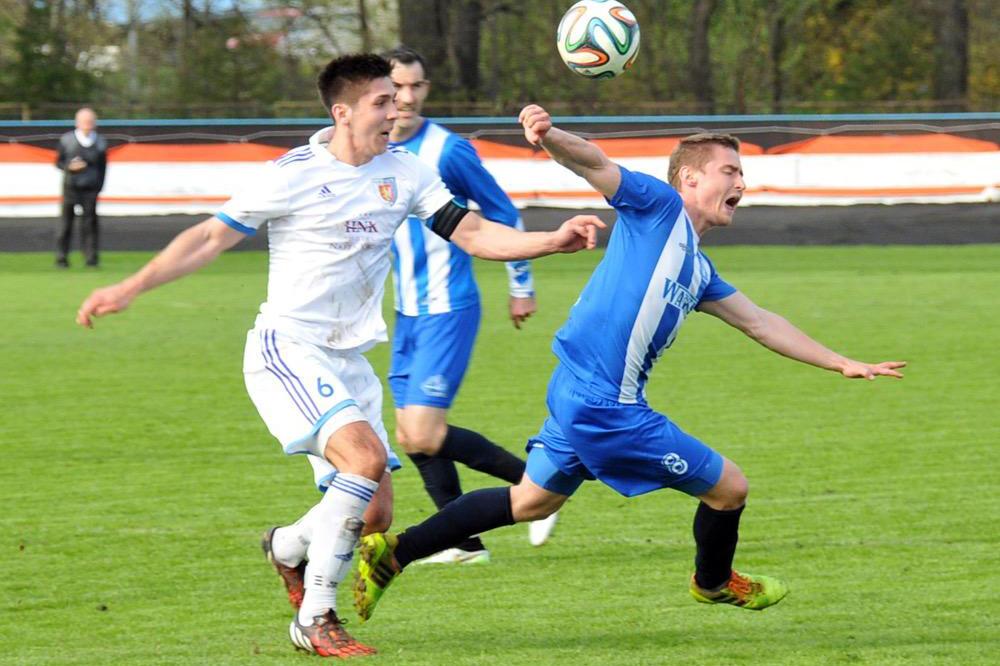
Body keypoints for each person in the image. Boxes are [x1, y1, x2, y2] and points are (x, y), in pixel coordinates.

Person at [75, 60, 604, 659]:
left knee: (375, 513)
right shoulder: (293, 173)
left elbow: (474, 234)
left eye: (396, 99)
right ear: (343, 112)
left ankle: (286, 547)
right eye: (382, 101)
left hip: (349, 358)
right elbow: (208, 237)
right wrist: (130, 288)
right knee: (365, 458)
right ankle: (315, 617)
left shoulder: (406, 171)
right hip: (288, 348)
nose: (396, 110)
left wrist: (552, 240)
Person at [353, 104, 906, 626]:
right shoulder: (659, 208)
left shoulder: (698, 268)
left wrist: (841, 362)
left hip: (576, 390)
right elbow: (595, 163)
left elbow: (760, 321)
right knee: (730, 488)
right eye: (730, 171)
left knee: (531, 500)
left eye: (742, 173)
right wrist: (549, 135)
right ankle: (713, 583)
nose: (741, 182)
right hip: (605, 405)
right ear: (689, 178)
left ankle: (394, 553)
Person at [384, 46, 556, 564]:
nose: (408, 97)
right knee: (411, 437)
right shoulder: (374, 150)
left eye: (417, 86)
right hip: (406, 310)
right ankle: (463, 543)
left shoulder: (447, 151)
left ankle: (538, 489)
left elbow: (502, 213)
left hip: (448, 307)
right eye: (397, 87)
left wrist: (520, 285)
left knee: (424, 431)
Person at [55, 107, 108, 268]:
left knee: (90, 224)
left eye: (90, 121)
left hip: (90, 188)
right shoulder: (67, 140)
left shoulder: (100, 142)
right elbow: (58, 162)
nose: (87, 125)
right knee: (66, 223)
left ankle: (91, 257)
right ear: (77, 123)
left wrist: (99, 186)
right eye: (85, 122)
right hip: (71, 187)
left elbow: (103, 167)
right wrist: (69, 167)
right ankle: (62, 257)